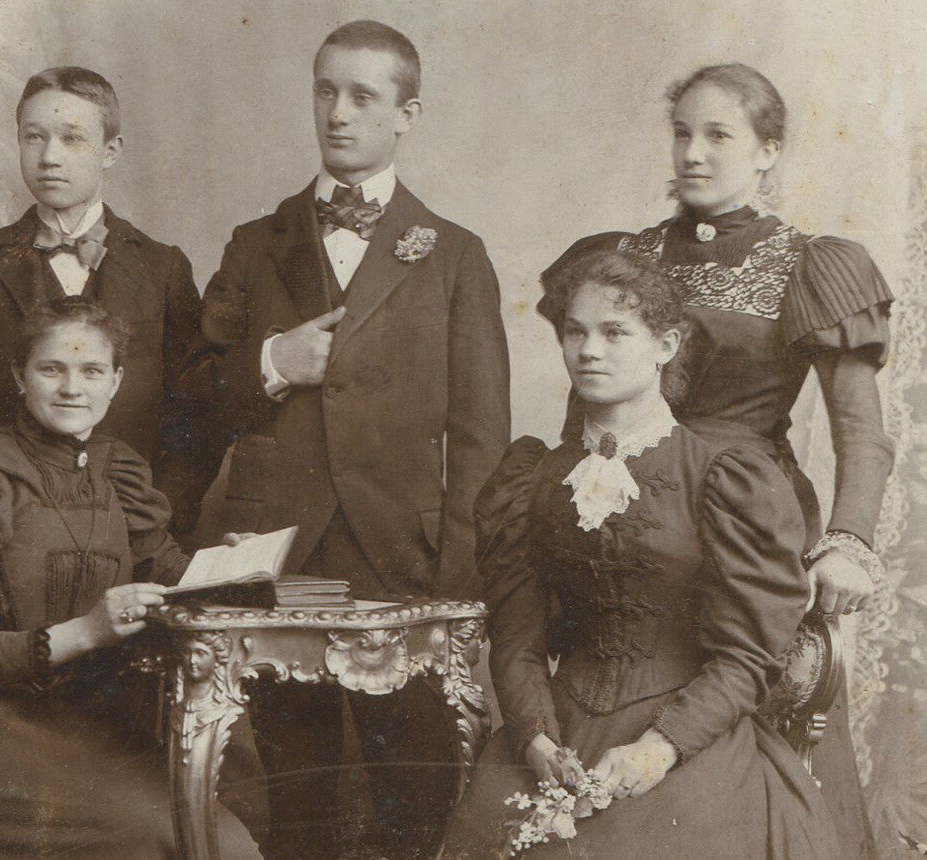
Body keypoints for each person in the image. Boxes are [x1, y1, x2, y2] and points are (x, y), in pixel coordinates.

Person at [177, 19, 510, 859]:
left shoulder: (456, 257)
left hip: (404, 555)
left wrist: (458, 574)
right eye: (326, 90)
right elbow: (184, 402)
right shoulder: (257, 246)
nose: (339, 112)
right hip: (276, 554)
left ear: (409, 113)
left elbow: (481, 435)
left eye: (364, 95)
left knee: (418, 790)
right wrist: (271, 362)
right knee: (296, 791)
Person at [544, 62, 891, 857]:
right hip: (629, 512)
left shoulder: (810, 264)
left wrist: (848, 542)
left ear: (768, 151)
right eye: (681, 133)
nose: (693, 153)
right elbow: (582, 414)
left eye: (719, 135)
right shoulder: (625, 255)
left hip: (746, 523)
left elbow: (860, 433)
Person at [440, 251, 843, 859]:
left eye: (614, 332)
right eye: (575, 331)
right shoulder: (533, 480)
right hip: (558, 738)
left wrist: (660, 748)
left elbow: (746, 657)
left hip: (689, 740)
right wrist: (534, 740)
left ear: (665, 345)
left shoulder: (722, 478)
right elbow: (518, 641)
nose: (589, 351)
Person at [0, 298, 263, 858]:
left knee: (227, 835)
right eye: (51, 369)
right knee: (179, 837)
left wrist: (228, 566)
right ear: (19, 376)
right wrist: (87, 631)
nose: (71, 389)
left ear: (116, 382)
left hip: (83, 724)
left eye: (91, 371)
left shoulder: (118, 471)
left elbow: (173, 577)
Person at [0, 66, 209, 533]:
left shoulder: (162, 268)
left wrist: (159, 518)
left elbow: (191, 418)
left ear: (110, 150)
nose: (49, 156)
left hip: (128, 529)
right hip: (4, 528)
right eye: (34, 137)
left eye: (72, 139)